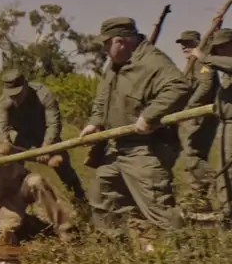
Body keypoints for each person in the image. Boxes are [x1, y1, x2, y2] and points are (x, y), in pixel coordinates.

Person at [79, 17, 190, 238]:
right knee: (102, 195)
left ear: (120, 41)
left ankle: (184, 260)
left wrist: (149, 117)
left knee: (158, 208)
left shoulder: (153, 62)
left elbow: (179, 86)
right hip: (117, 146)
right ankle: (117, 252)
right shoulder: (113, 66)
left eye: (106, 43)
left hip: (147, 148)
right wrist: (95, 122)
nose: (104, 49)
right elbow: (103, 98)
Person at [0, 141, 73, 246]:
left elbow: (27, 155)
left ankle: (64, 230)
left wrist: (48, 161)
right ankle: (32, 224)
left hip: (25, 185)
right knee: (7, 233)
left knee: (36, 181)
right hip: (8, 201)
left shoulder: (2, 150)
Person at [0, 68, 86, 201]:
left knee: (61, 164)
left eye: (18, 94)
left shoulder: (43, 94)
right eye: (11, 95)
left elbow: (53, 124)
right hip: (20, 137)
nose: (15, 98)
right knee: (11, 168)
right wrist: (10, 148)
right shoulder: (3, 102)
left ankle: (80, 198)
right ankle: (16, 202)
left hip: (45, 134)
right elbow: (2, 129)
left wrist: (46, 146)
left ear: (25, 85)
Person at [187, 28, 232, 225]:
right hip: (225, 123)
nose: (219, 53)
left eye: (221, 48)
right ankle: (226, 211)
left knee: (229, 170)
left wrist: (204, 57)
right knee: (223, 169)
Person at [176, 30, 218, 207]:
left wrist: (189, 107)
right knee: (190, 157)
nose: (185, 47)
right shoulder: (190, 65)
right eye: (183, 44)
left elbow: (206, 86)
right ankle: (198, 196)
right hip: (192, 115)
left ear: (198, 44)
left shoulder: (203, 61)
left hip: (199, 115)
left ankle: (216, 189)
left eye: (189, 44)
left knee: (194, 155)